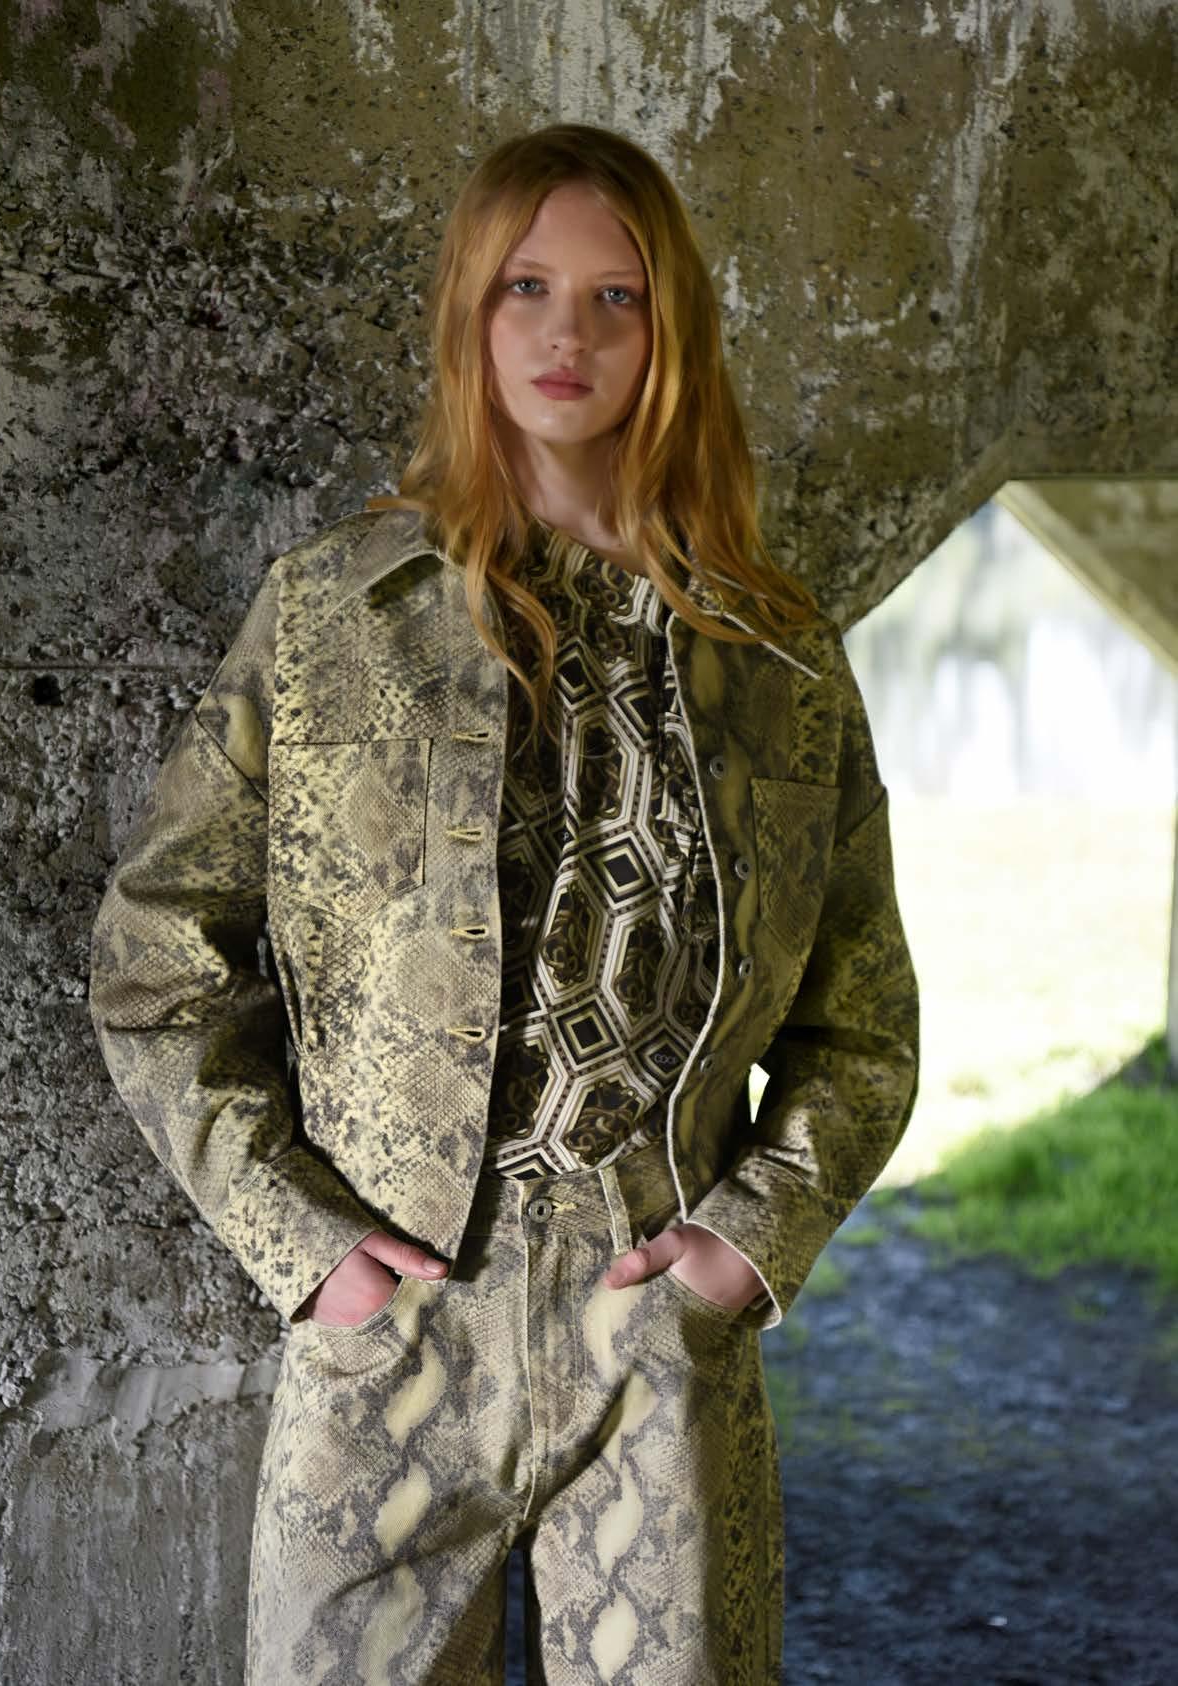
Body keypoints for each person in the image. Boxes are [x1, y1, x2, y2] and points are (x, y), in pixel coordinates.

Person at [89, 121, 919, 1685]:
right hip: (390, 1339)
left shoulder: (781, 660)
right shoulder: (329, 615)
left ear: (672, 331)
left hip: (655, 1342)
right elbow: (155, 957)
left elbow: (862, 1024)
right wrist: (304, 1242)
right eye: (527, 286)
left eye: (618, 296)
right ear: (470, 311)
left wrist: (747, 1240)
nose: (567, 334)